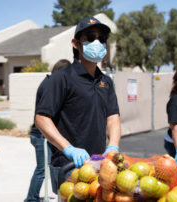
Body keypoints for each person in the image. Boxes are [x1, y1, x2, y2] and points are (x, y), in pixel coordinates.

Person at [34, 16, 121, 194]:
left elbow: (113, 117)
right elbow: (42, 118)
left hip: (99, 166)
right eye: (90, 37)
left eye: (101, 38)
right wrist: (69, 149)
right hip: (69, 167)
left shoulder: (106, 82)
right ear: (76, 43)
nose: (97, 42)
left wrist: (113, 146)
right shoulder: (62, 78)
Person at [25, 59, 71, 202]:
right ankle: (31, 199)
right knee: (42, 169)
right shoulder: (50, 85)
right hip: (40, 135)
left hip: (40, 134)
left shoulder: (49, 83)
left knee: (45, 168)